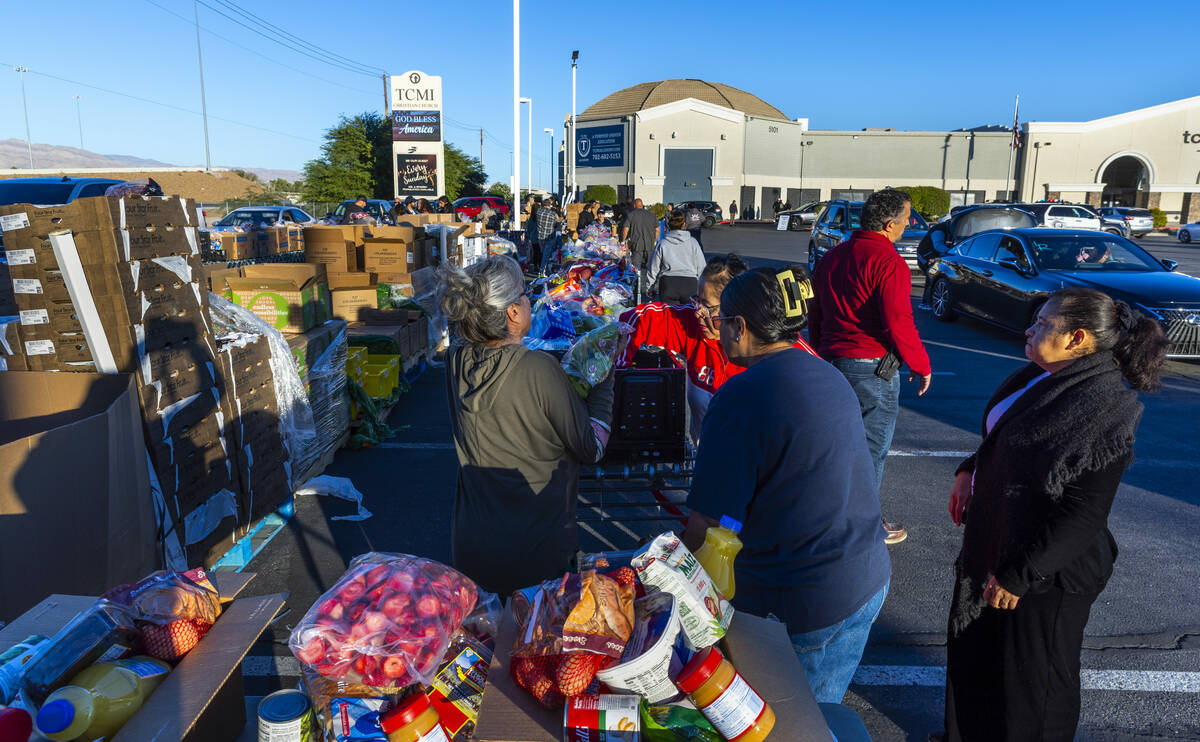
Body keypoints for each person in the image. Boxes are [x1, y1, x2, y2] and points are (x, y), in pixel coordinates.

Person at [938, 288, 1168, 742]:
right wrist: (970, 469)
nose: (1030, 328)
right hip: (1000, 543)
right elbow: (1004, 439)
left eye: (1043, 323)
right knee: (984, 662)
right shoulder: (1040, 376)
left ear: (1077, 338)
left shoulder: (1104, 410)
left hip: (1048, 573)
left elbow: (1083, 514)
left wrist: (1018, 576)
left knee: (1035, 688)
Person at [684, 266, 891, 704]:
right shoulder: (827, 373)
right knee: (823, 712)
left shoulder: (742, 394)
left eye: (720, 321)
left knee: (786, 720)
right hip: (863, 577)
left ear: (740, 326)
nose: (716, 330)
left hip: (804, 598)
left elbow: (705, 524)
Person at [438, 255, 615, 596]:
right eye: (524, 294)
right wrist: (604, 378)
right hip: (537, 554)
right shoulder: (539, 369)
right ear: (513, 313)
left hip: (472, 547)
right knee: (533, 644)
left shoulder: (455, 360)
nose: (529, 300)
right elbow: (590, 448)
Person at [808, 188, 932, 545]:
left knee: (834, 449)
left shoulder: (832, 257)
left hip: (832, 363)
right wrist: (920, 363)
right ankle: (861, 528)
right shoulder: (888, 262)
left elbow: (816, 313)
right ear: (890, 224)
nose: (909, 224)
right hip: (872, 370)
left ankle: (828, 520)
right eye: (907, 218)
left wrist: (819, 353)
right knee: (869, 453)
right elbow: (898, 321)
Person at [619, 254, 818, 440]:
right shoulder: (693, 324)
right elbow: (637, 319)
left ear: (737, 309)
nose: (698, 312)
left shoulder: (781, 352)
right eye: (697, 301)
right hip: (705, 458)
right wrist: (617, 371)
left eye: (708, 306)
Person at [645, 210, 706, 305]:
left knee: (669, 317)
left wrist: (650, 287)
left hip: (668, 284)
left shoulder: (662, 243)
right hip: (690, 284)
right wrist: (702, 288)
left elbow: (653, 267)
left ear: (668, 225)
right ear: (684, 225)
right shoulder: (693, 242)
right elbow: (702, 267)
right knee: (688, 317)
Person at [620, 198, 661, 300]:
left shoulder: (631, 215)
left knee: (636, 270)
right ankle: (652, 290)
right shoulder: (651, 215)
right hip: (649, 245)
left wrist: (622, 241)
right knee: (651, 269)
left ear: (634, 205)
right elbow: (657, 230)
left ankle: (634, 291)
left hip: (636, 246)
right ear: (642, 205)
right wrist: (654, 240)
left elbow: (625, 230)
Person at [535, 197, 562, 273]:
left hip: (540, 237)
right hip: (549, 237)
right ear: (549, 205)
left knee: (544, 253)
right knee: (546, 255)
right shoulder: (552, 214)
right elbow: (557, 223)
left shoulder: (538, 212)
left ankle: (547, 269)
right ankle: (542, 271)